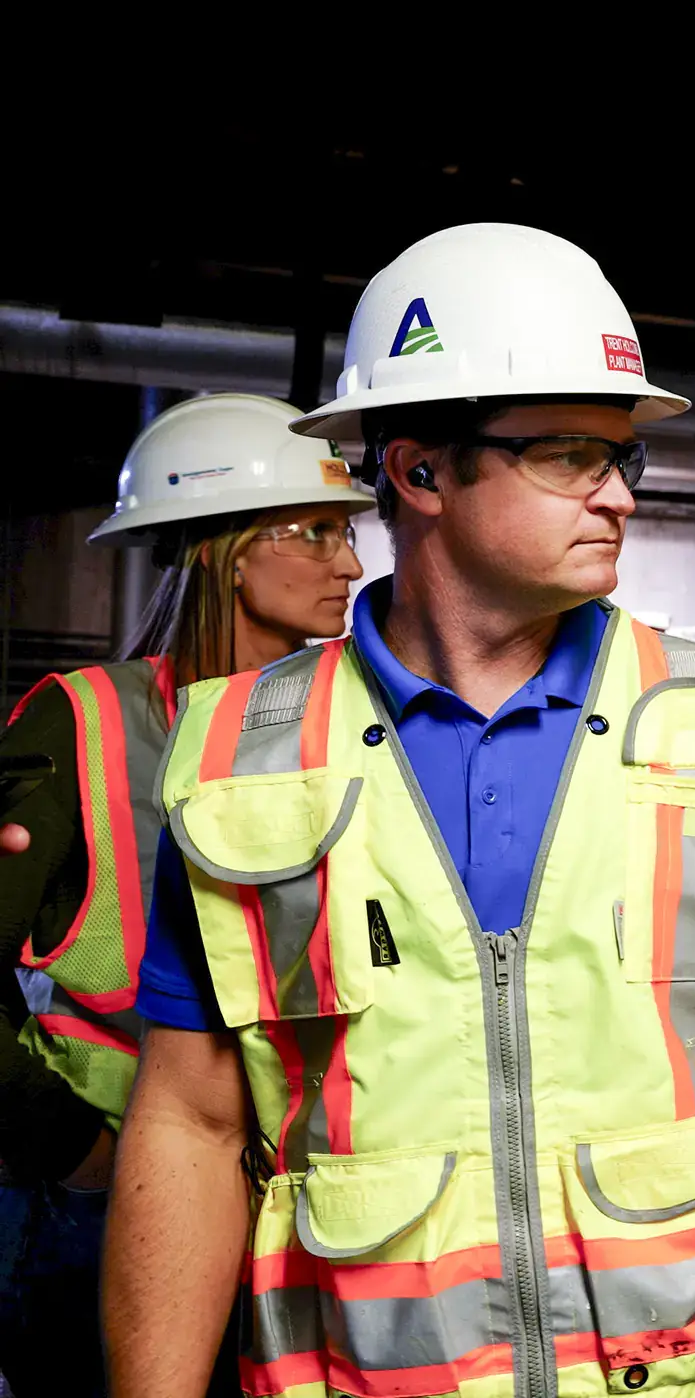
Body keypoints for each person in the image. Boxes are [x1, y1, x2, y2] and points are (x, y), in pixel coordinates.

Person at [104, 223, 695, 1398]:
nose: (618, 496)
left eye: (620, 459)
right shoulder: (248, 758)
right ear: (420, 471)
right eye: (566, 455)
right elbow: (189, 1120)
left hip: (677, 1375)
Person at [0, 394, 371, 1398]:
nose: (351, 563)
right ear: (229, 549)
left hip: (299, 1197)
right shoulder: (80, 720)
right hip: (102, 1193)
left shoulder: (343, 741)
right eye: (321, 530)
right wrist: (68, 1145)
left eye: (350, 532)